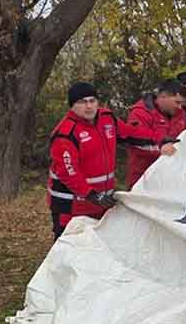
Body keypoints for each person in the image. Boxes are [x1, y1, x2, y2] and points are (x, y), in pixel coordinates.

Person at [48, 82, 173, 239]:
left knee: (98, 247)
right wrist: (92, 195)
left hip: (100, 203)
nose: (89, 106)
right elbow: (68, 173)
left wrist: (160, 140)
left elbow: (130, 133)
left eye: (92, 101)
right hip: (70, 207)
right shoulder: (65, 133)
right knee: (69, 247)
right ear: (72, 105)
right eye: (82, 102)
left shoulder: (106, 118)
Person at [127, 79, 186, 187]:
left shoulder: (180, 114)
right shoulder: (140, 113)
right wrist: (160, 149)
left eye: (181, 103)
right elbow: (135, 143)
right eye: (177, 102)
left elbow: (185, 138)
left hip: (171, 178)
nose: (180, 107)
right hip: (144, 178)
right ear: (163, 96)